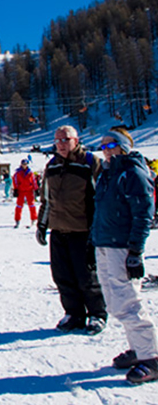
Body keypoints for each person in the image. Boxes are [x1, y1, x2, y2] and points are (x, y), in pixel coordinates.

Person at [92, 127, 158, 384]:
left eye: (111, 145)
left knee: (128, 302)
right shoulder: (108, 173)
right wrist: (94, 241)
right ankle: (138, 348)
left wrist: (136, 251)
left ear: (123, 147)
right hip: (104, 243)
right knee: (113, 302)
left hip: (122, 246)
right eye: (103, 146)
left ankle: (151, 357)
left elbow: (143, 214)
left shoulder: (132, 172)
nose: (106, 151)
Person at [36, 125, 107, 335]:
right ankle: (74, 313)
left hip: (83, 230)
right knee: (62, 275)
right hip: (58, 230)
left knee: (86, 276)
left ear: (76, 141)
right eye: (57, 140)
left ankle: (97, 313)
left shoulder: (89, 163)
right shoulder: (52, 166)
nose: (61, 144)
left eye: (65, 140)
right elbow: (46, 200)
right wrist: (42, 225)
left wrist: (98, 229)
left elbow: (100, 199)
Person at [13, 159, 38, 227]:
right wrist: (16, 189)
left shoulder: (30, 173)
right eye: (23, 164)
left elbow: (33, 181)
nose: (24, 165)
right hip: (21, 190)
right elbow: (15, 181)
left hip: (29, 190)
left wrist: (36, 189)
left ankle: (34, 219)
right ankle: (17, 220)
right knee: (19, 205)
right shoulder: (18, 173)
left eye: (26, 164)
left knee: (32, 205)